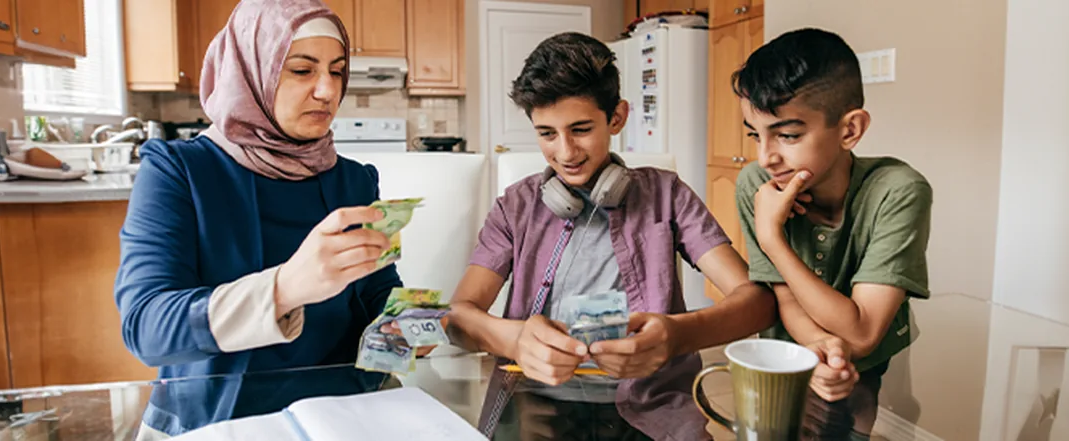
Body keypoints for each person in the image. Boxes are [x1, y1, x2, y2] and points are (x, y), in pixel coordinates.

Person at [445, 32, 778, 441]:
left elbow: (757, 303)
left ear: (617, 117)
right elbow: (457, 317)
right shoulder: (515, 206)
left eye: (581, 129)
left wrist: (676, 337)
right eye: (546, 134)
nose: (565, 152)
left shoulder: (667, 195)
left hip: (652, 409)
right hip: (537, 410)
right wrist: (513, 340)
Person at [114, 1, 420, 438]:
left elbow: (381, 291)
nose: (327, 91)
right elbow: (146, 327)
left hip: (345, 414)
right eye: (302, 70)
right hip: (216, 420)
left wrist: (410, 327)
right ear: (250, 70)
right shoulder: (177, 171)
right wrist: (287, 287)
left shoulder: (357, 180)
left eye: (337, 71)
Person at [733, 27, 933, 439]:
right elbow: (784, 297)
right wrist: (819, 346)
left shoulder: (898, 190)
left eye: (788, 135)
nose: (766, 157)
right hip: (787, 353)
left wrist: (773, 238)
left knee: (850, 424)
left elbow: (861, 332)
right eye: (756, 134)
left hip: (867, 363)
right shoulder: (756, 184)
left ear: (850, 130)